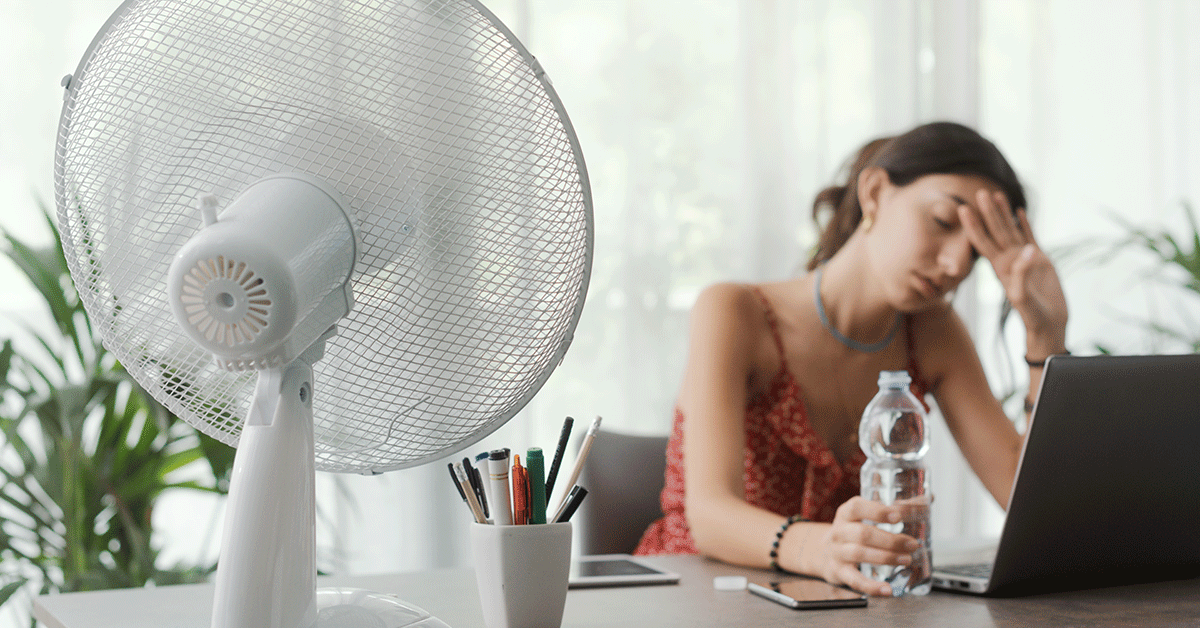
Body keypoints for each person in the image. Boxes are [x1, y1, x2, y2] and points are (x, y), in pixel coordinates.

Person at [633, 121, 1069, 596]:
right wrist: (821, 550)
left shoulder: (931, 331)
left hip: (830, 604)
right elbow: (711, 516)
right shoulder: (736, 312)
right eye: (943, 222)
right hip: (694, 595)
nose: (954, 266)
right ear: (875, 192)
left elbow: (1019, 493)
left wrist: (1045, 334)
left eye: (975, 255)